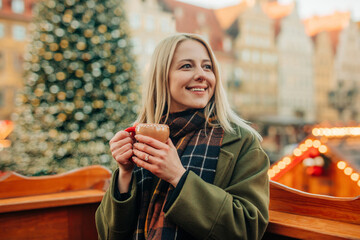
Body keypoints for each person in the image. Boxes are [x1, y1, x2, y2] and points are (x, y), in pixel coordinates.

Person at [95, 33, 269, 240]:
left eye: (207, 67)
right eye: (187, 66)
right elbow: (107, 234)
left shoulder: (241, 141)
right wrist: (124, 173)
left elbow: (248, 229)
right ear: (161, 77)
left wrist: (178, 176)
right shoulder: (141, 135)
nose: (201, 75)